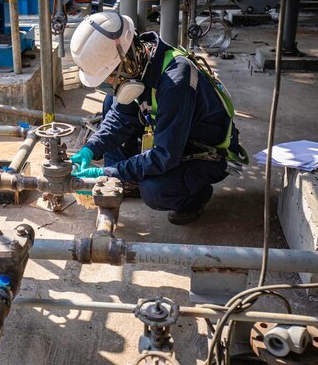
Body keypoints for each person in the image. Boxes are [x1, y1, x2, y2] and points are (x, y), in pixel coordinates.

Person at [69, 12, 248, 225]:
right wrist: (90, 148)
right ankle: (121, 181)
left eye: (107, 79)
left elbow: (165, 155)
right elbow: (119, 118)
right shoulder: (139, 63)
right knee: (112, 103)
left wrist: (106, 172)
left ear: (125, 60)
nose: (106, 85)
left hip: (202, 152)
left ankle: (195, 197)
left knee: (155, 191)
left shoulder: (175, 81)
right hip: (173, 137)